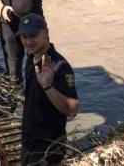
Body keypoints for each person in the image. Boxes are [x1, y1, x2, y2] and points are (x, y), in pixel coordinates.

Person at [16, 13, 79, 165]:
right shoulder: (31, 57)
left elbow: (73, 109)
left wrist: (48, 87)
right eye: (24, 36)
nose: (28, 41)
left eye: (33, 35)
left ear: (46, 33)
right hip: (29, 143)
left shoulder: (59, 66)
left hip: (47, 150)